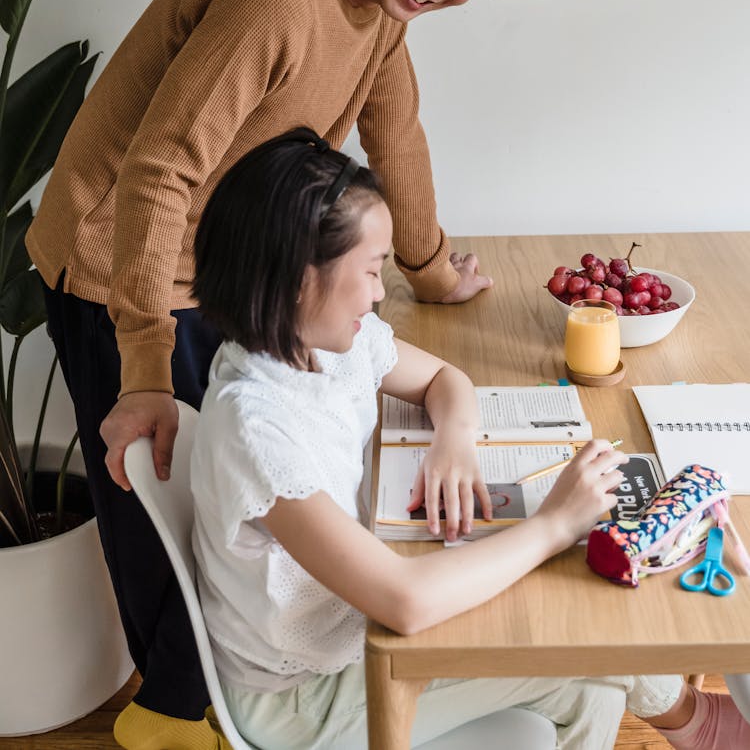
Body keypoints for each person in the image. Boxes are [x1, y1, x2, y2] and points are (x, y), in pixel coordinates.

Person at [27, 0, 532, 749]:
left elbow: (397, 130)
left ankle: (235, 691)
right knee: (164, 501)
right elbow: (159, 172)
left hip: (223, 258)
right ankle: (176, 715)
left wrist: (426, 265)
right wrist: (145, 363)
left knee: (234, 491)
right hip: (121, 259)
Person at [188, 127, 750, 750]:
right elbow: (403, 601)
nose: (379, 292)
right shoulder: (257, 428)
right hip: (304, 697)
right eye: (371, 271)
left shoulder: (319, 346)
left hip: (349, 623)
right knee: (581, 652)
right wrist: (555, 525)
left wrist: (452, 441)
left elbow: (443, 378)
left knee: (587, 675)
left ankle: (694, 720)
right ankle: (696, 721)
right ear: (299, 276)